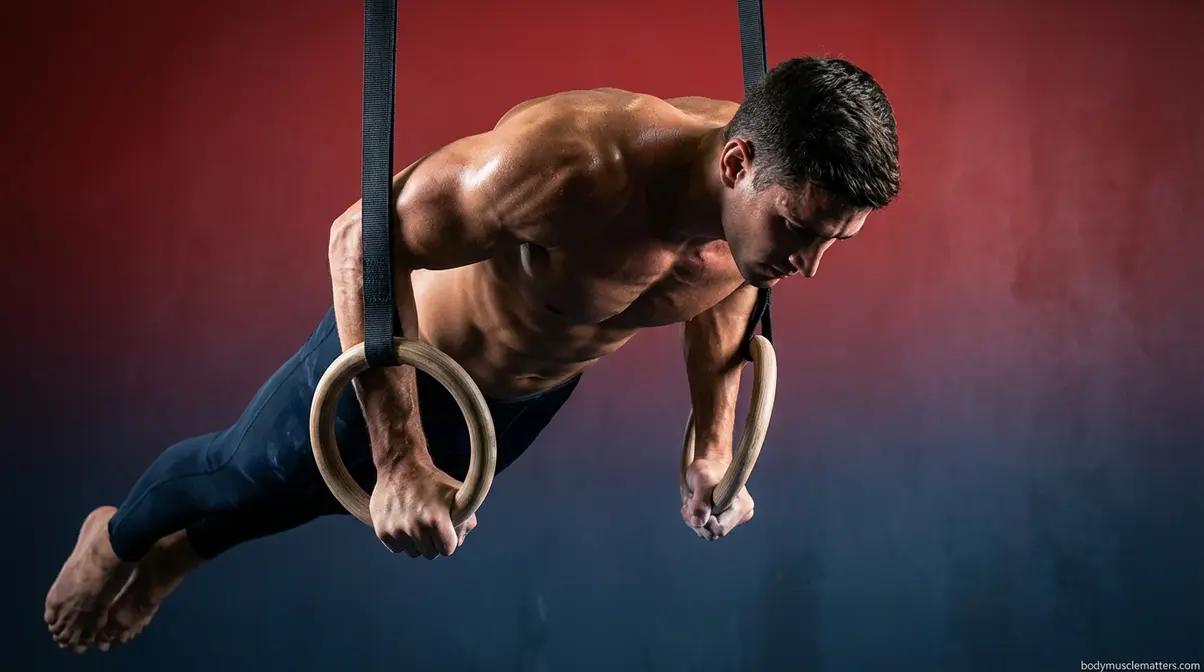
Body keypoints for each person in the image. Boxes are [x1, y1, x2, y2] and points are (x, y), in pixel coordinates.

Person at [44, 55, 901, 653]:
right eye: (797, 228)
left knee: (303, 505)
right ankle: (116, 543)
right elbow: (358, 239)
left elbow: (731, 284)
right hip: (402, 367)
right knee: (243, 472)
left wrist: (713, 435)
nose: (808, 263)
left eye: (836, 240)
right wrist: (400, 456)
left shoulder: (759, 210)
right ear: (736, 162)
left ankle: (181, 559)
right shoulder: (575, 165)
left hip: (520, 404)